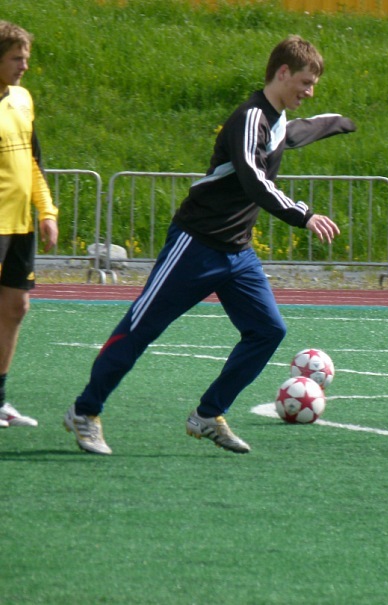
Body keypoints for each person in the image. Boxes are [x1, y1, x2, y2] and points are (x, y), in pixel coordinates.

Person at [64, 35, 355, 454]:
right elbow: (255, 179)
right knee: (139, 330)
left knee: (268, 331)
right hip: (196, 245)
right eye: (305, 83)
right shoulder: (248, 118)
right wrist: (303, 214)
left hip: (238, 253)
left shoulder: (274, 120)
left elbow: (296, 132)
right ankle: (84, 411)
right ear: (283, 73)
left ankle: (207, 414)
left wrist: (343, 122)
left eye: (314, 86)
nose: (309, 92)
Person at [0, 21, 58, 429]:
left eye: (26, 58)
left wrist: (47, 211)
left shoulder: (22, 99)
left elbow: (32, 162)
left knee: (16, 308)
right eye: (15, 58)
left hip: (20, 225)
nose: (24, 66)